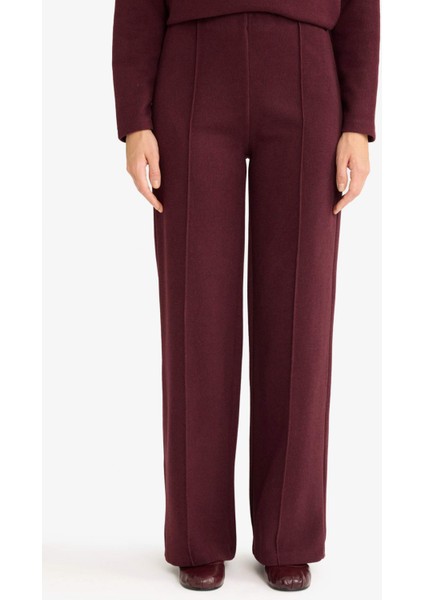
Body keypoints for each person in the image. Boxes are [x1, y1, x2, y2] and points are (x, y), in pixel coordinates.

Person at [112, 0, 380, 592]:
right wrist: (134, 117)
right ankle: (197, 535)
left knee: (301, 318)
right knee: (197, 317)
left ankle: (289, 535)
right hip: (193, 67)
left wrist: (359, 120)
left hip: (308, 67)